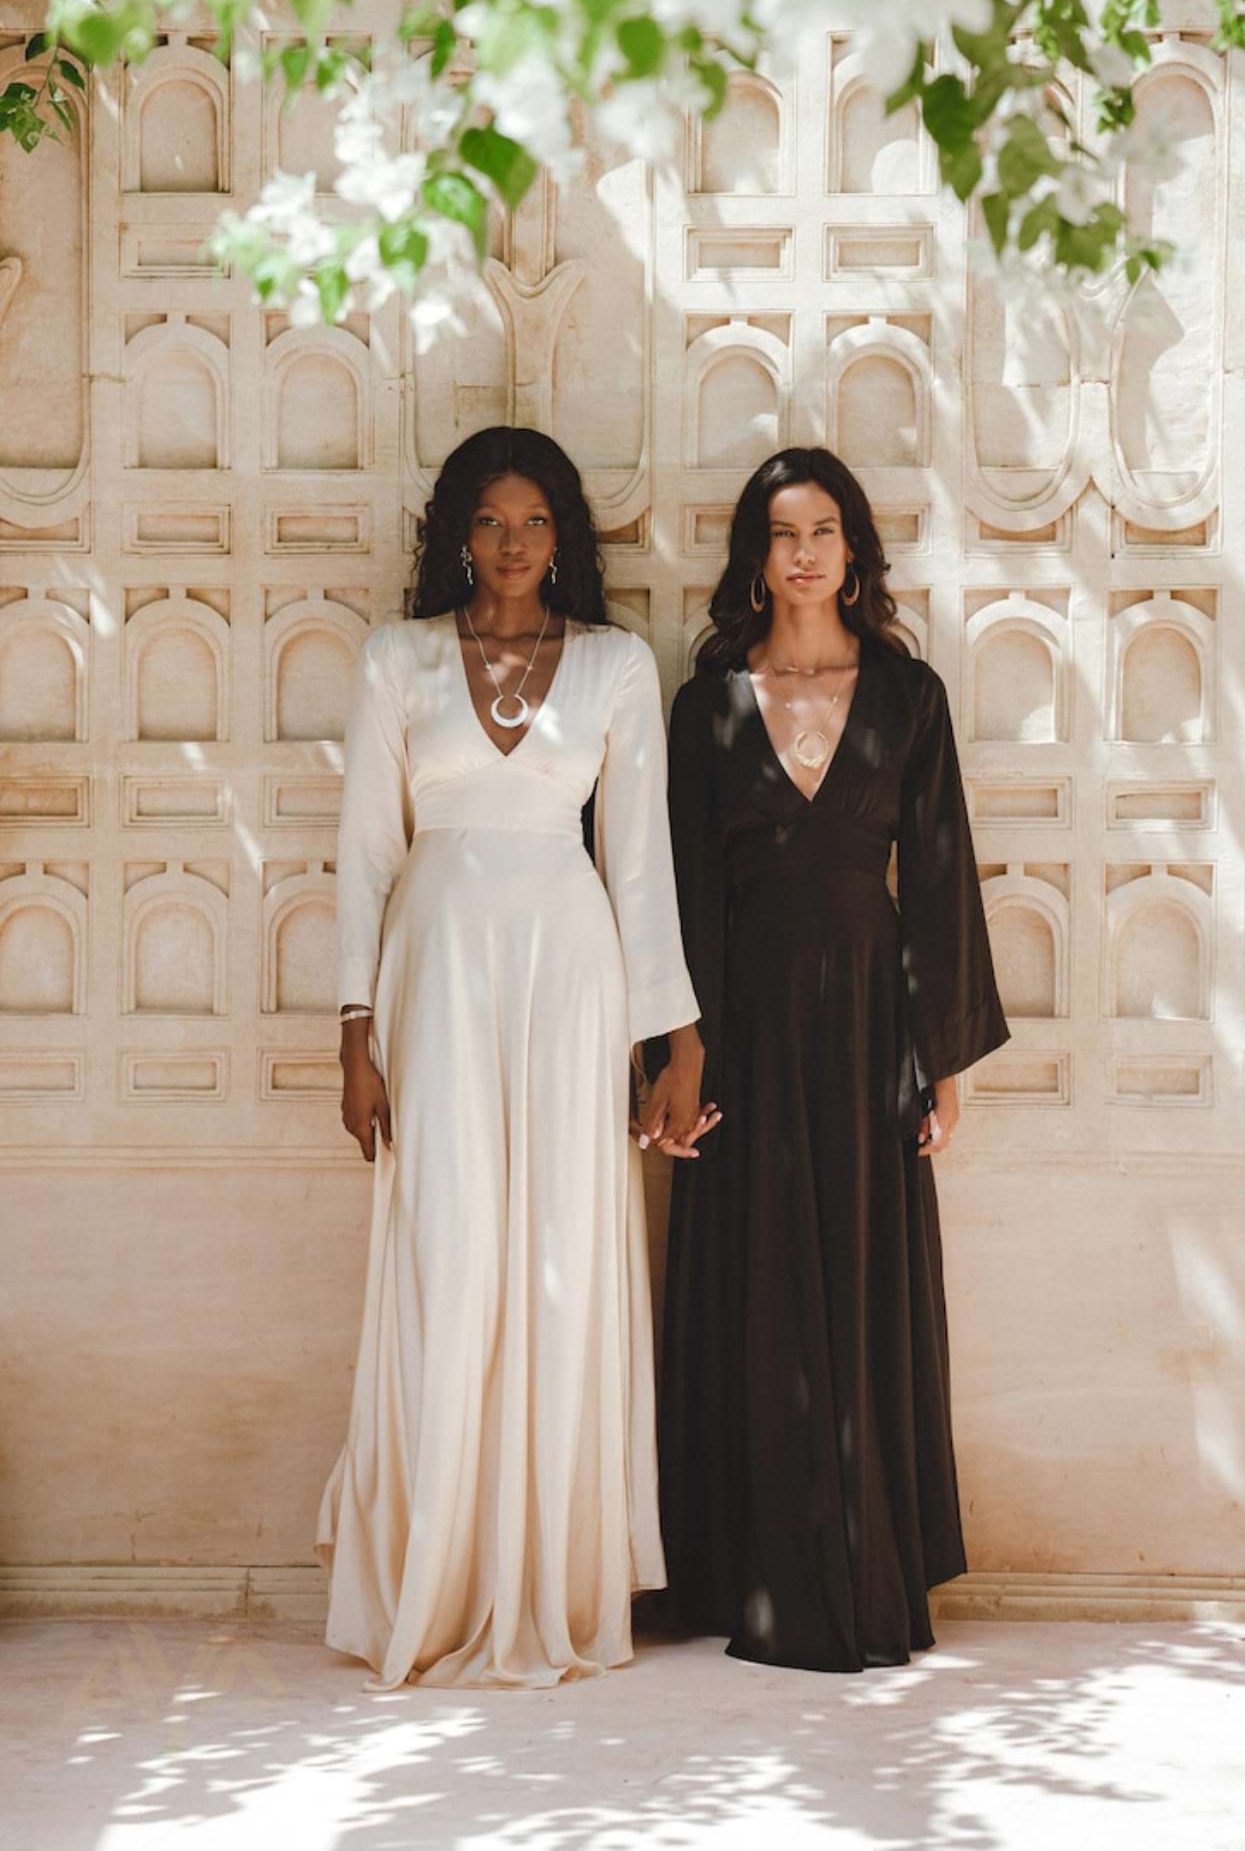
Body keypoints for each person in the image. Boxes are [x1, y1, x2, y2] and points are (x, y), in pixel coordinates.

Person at [317, 425, 714, 1690]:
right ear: (455, 531)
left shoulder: (614, 665)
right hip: (432, 970)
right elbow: (366, 854)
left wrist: (676, 1040)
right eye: (488, 518)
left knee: (557, 1249)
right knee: (446, 1246)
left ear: (564, 537)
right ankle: (436, 1569)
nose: (511, 541)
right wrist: (354, 1030)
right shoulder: (396, 658)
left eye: (535, 520)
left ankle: (548, 1571)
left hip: (567, 972)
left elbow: (639, 861)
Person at [655, 446, 1008, 1672]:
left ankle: (861, 1556)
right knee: (753, 1280)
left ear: (853, 548)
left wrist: (943, 1060)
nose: (802, 553)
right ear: (754, 557)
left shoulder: (909, 695)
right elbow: (683, 887)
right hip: (744, 1016)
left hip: (868, 1023)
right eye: (781, 533)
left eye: (822, 530)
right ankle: (748, 1565)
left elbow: (942, 878)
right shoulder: (706, 705)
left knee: (860, 1275)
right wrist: (680, 1052)